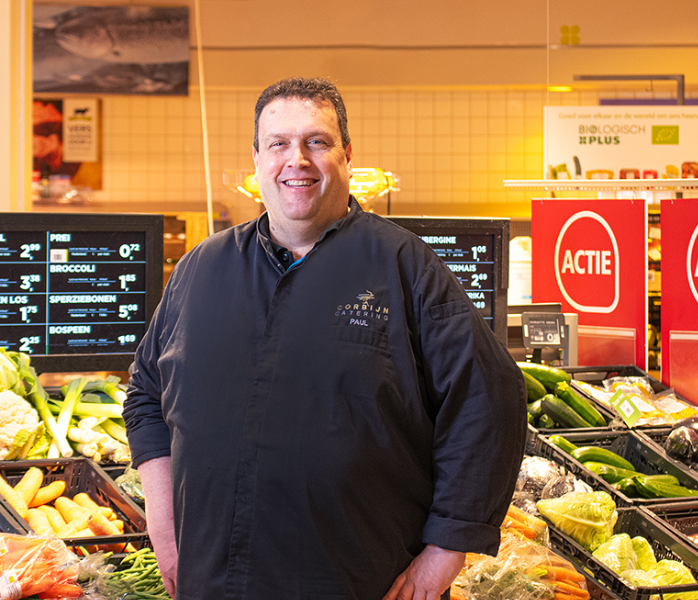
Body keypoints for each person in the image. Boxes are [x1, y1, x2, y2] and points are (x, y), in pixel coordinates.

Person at [122, 76, 527, 600]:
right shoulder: (204, 266)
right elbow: (146, 396)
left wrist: (444, 553)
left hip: (359, 582)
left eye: (317, 141)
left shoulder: (404, 266)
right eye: (279, 144)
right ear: (257, 160)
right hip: (214, 582)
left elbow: (490, 400)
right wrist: (164, 532)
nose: (298, 160)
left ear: (347, 154)